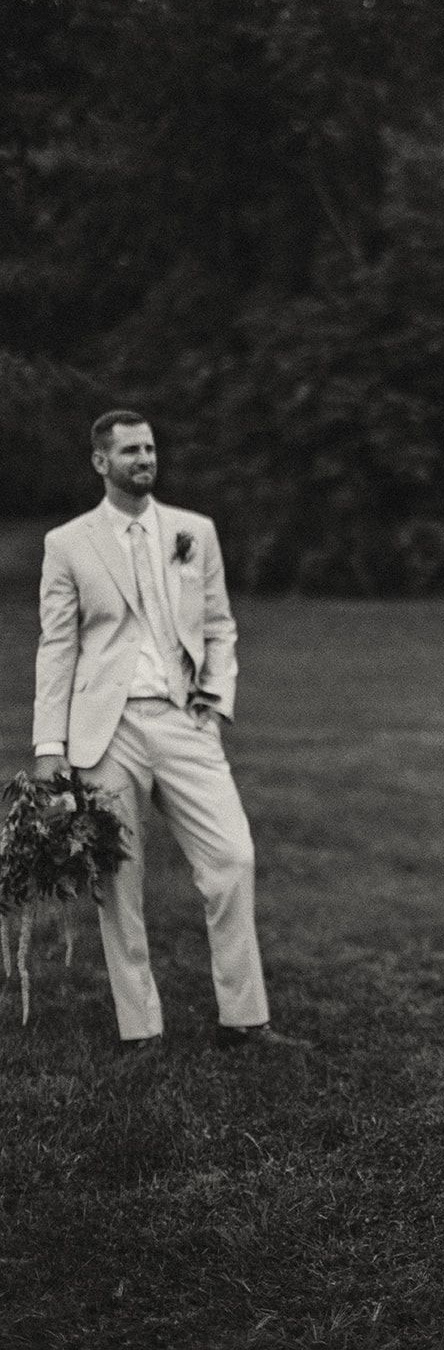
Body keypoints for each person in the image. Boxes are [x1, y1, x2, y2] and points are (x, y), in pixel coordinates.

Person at [33, 410, 302, 1051]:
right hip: (106, 729)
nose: (145, 459)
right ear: (101, 461)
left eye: (150, 447)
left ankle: (245, 1019)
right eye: (130, 450)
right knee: (117, 881)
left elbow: (219, 624)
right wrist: (50, 747)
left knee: (233, 859)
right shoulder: (67, 544)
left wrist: (215, 697)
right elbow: (56, 646)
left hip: (184, 721)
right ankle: (140, 1027)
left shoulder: (193, 531)